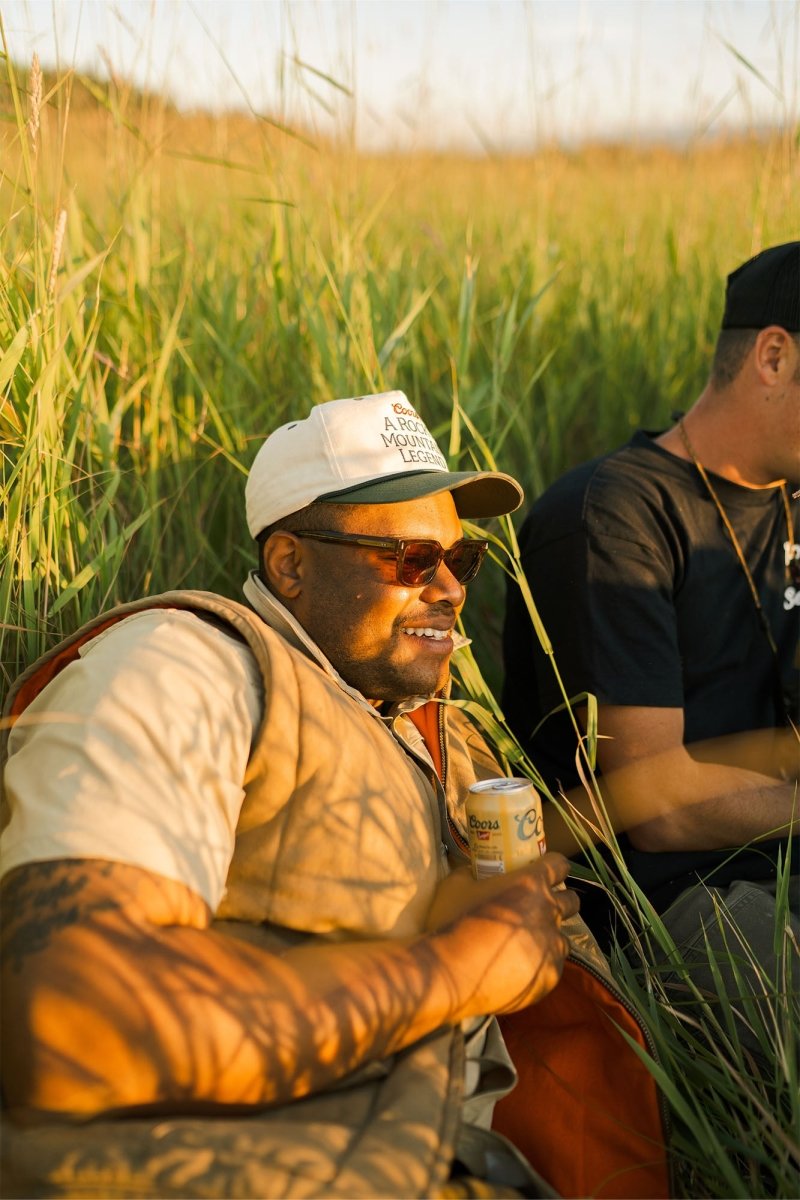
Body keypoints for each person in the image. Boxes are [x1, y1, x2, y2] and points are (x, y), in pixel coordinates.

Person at [1, 392, 668, 1199]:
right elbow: (74, 1027)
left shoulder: (444, 736)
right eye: (412, 561)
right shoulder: (187, 669)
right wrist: (454, 970)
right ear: (290, 563)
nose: (450, 590)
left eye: (462, 561)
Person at [502, 242, 800, 999]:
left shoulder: (791, 500)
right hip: (677, 900)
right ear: (773, 356)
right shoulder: (614, 515)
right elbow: (657, 803)